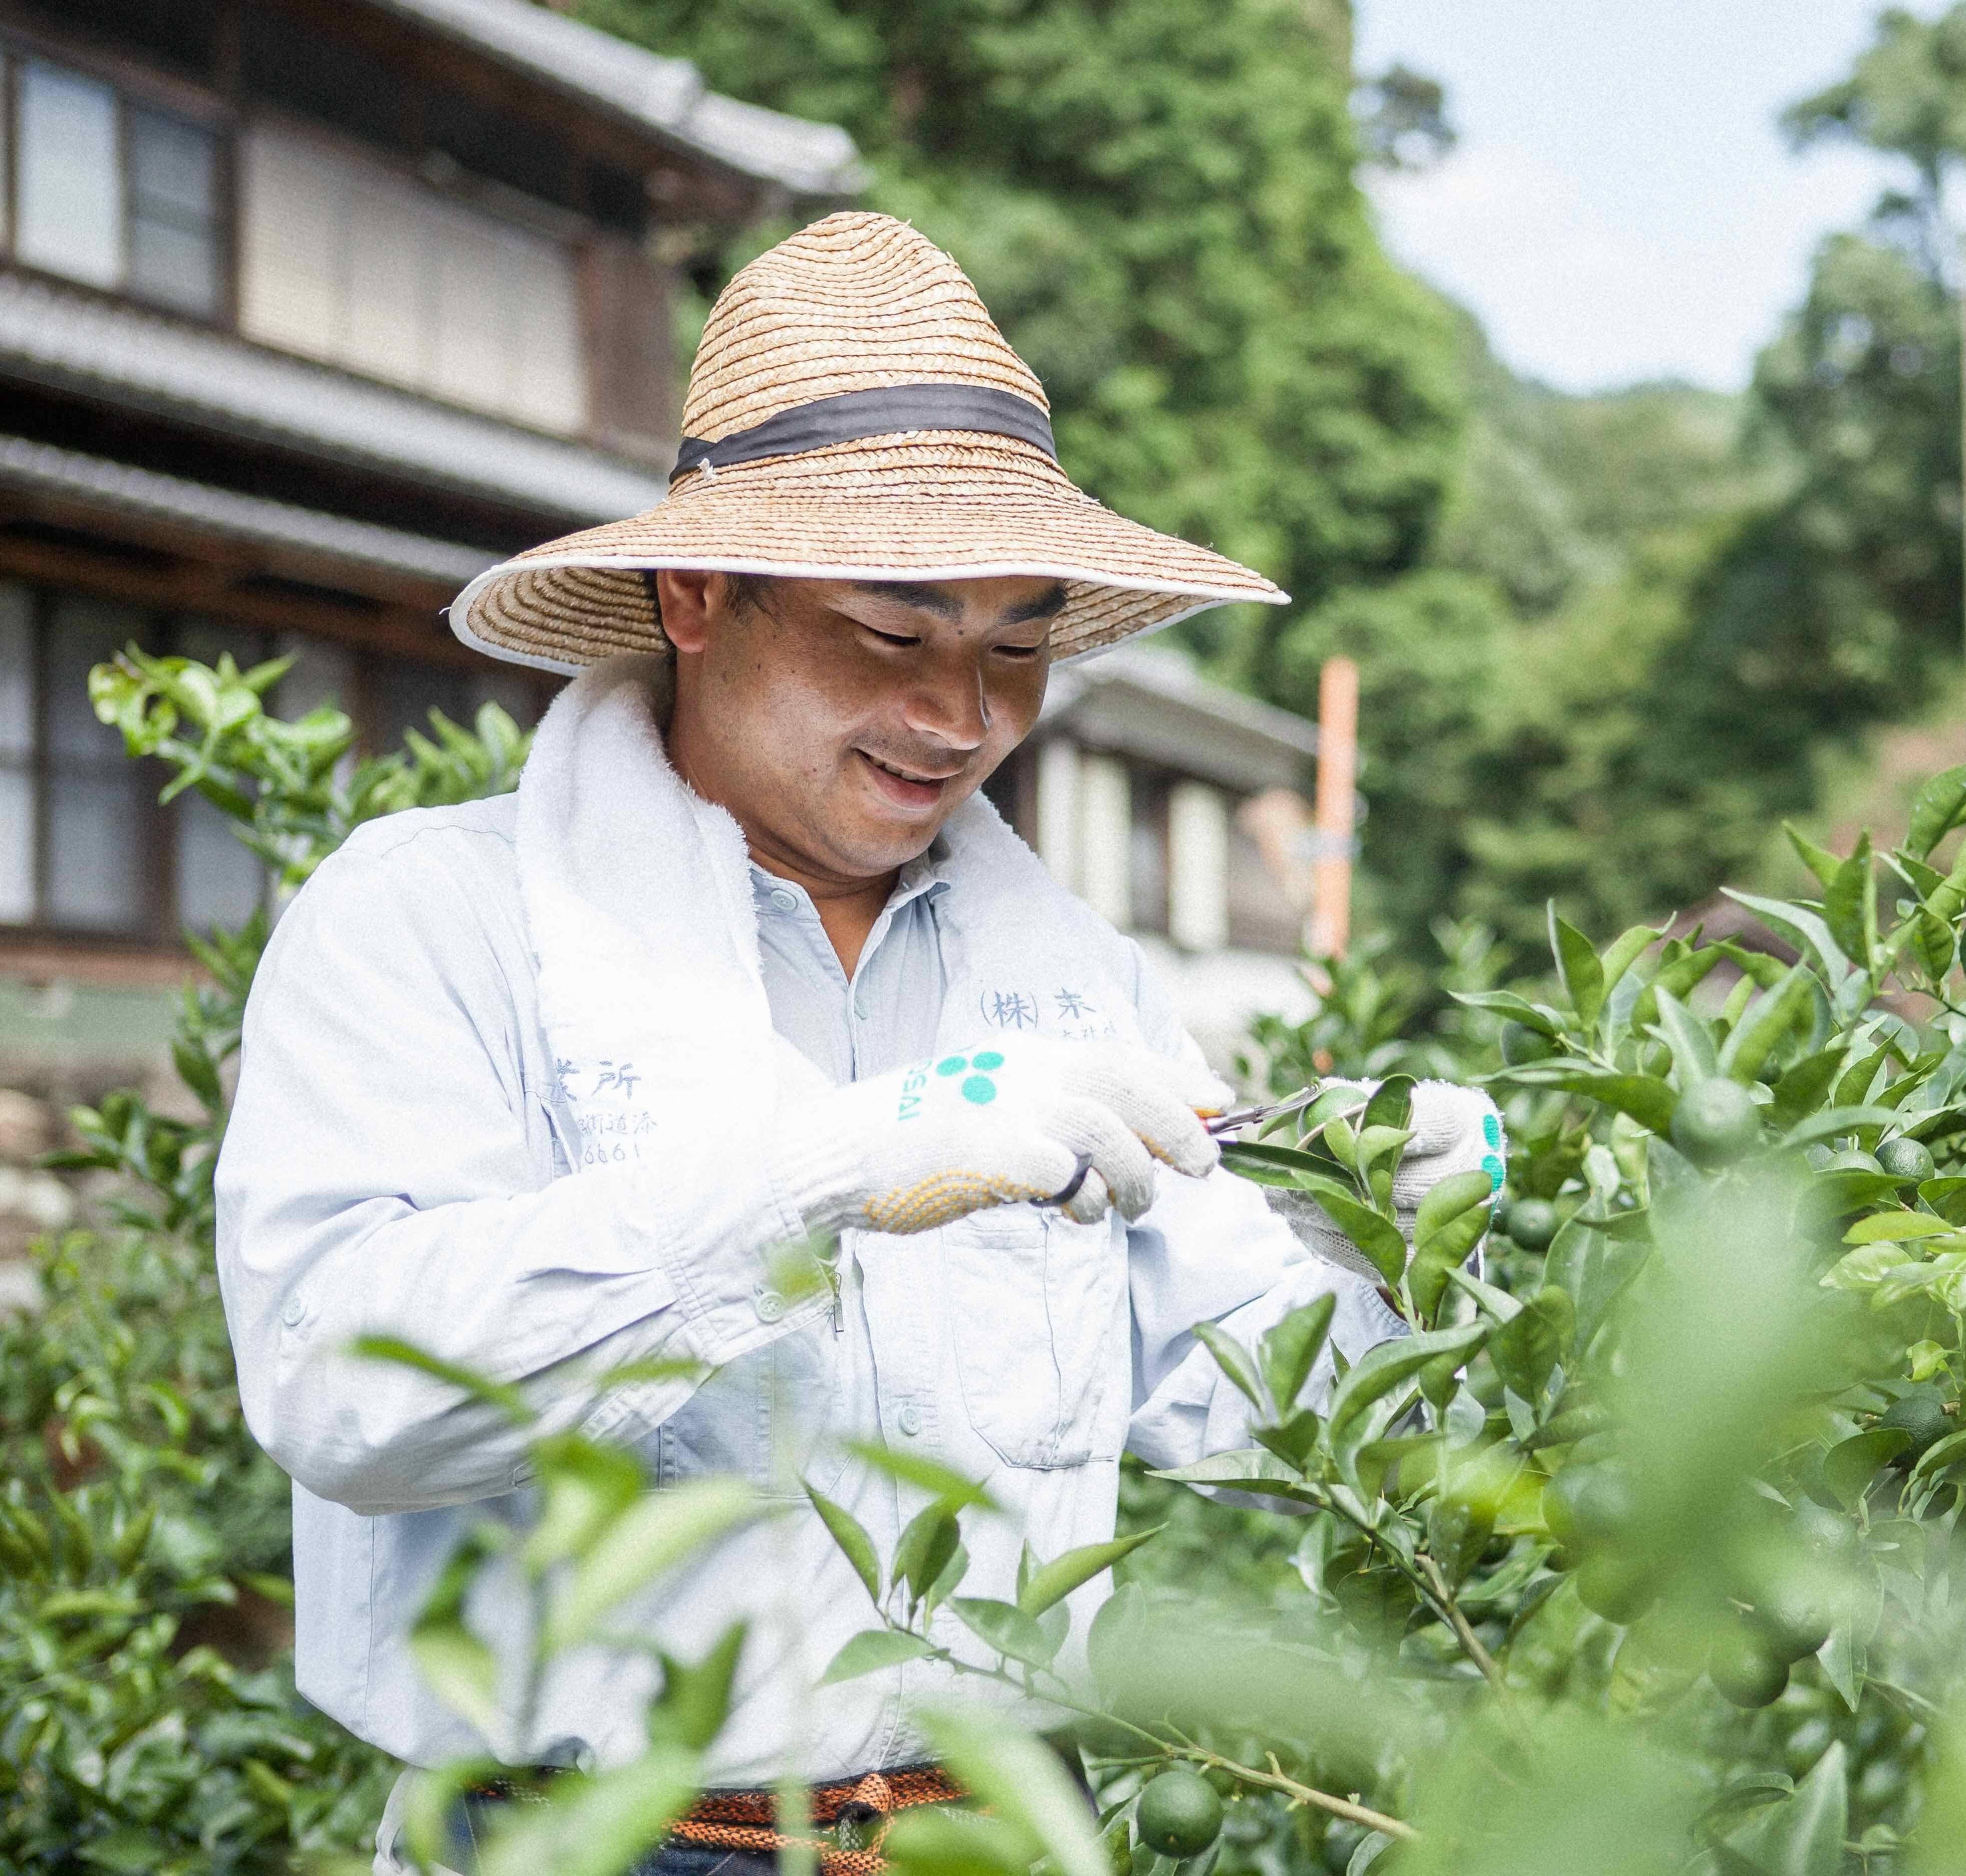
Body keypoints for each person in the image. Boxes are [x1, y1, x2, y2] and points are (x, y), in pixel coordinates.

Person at [213, 212, 1499, 1874]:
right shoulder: (438, 923)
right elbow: (346, 1386)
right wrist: (835, 1166)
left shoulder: (1070, 978)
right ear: (695, 595)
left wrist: (1380, 1228)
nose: (961, 715)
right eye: (893, 635)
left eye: (1017, 644)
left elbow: (1240, 1401)